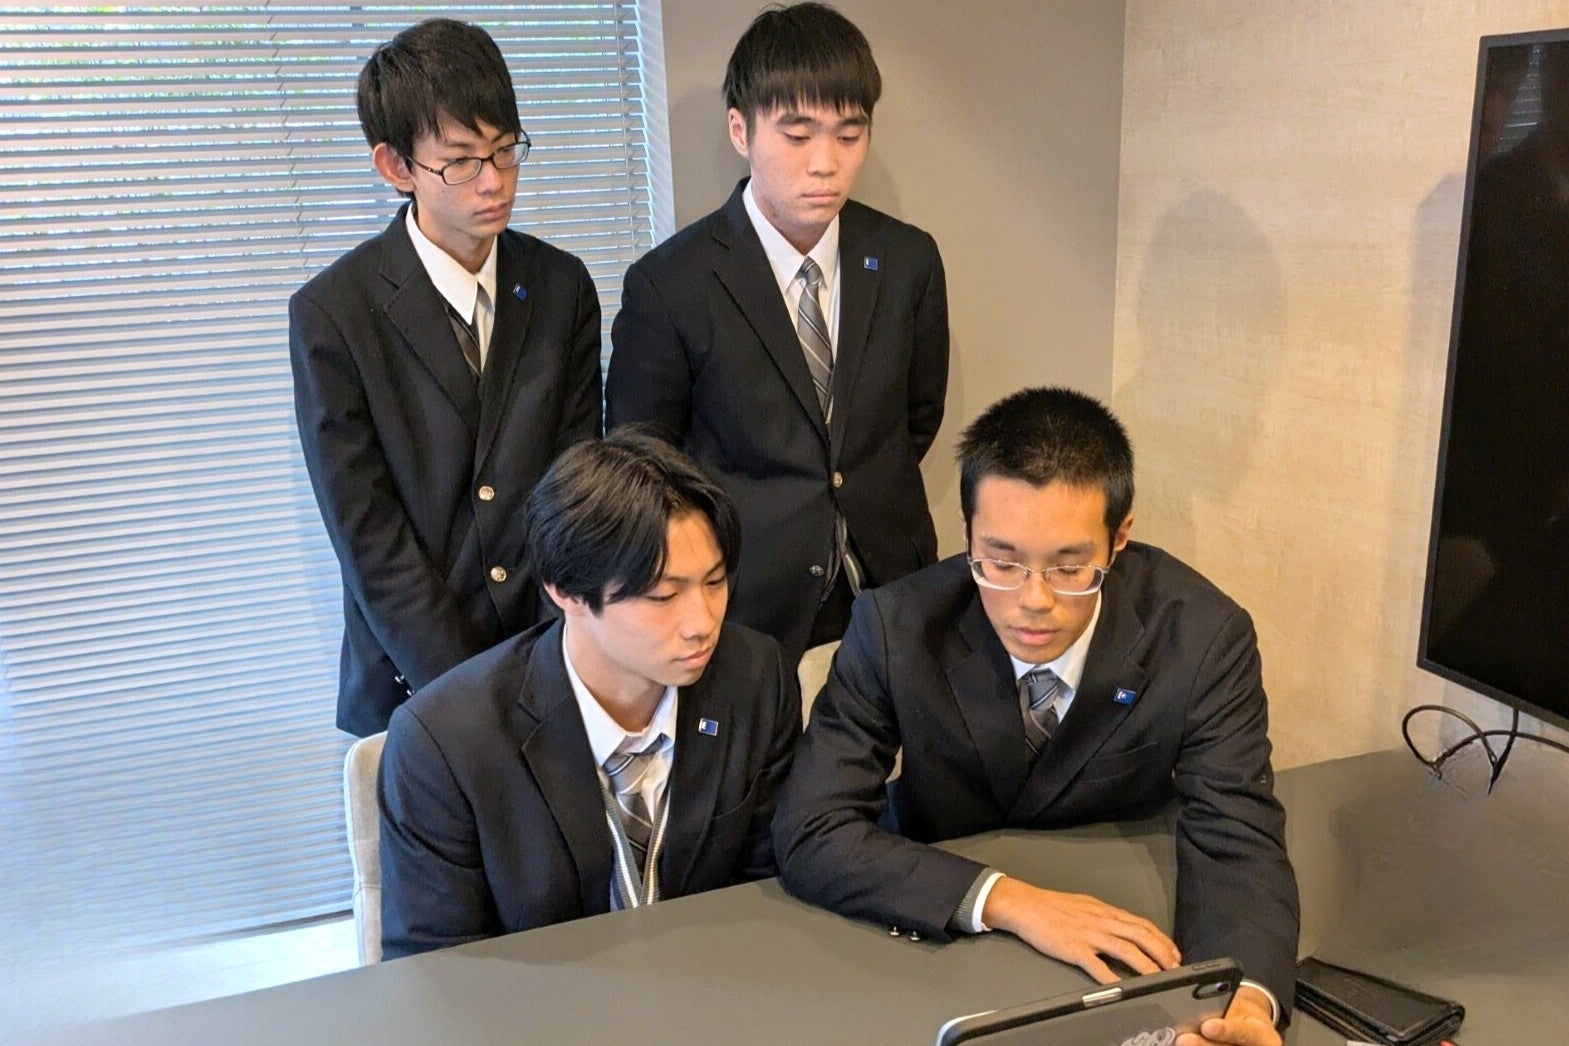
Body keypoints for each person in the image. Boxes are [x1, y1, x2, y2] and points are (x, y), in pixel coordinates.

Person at [774, 387, 1300, 1046]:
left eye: (1070, 566)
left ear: (1119, 538)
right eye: (1001, 562)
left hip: (1125, 916)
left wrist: (1242, 1001)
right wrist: (1010, 900)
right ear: (967, 531)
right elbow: (811, 827)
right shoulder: (895, 625)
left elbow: (1235, 832)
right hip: (930, 928)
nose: (1034, 600)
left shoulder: (1200, 636)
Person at [605, 1, 949, 664]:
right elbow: (645, 460)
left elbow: (917, 417)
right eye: (797, 135)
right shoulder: (671, 283)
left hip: (890, 582)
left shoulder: (907, 258)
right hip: (750, 597)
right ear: (741, 129)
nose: (825, 163)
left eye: (848, 135)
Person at [378, 430, 801, 958]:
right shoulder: (445, 741)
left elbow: (769, 893)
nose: (702, 622)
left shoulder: (757, 679)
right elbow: (436, 967)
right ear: (566, 592)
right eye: (663, 595)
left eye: (714, 583)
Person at [290, 18, 602, 736]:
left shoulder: (560, 286)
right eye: (459, 161)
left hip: (553, 654)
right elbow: (368, 536)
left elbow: (578, 485)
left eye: (505, 150)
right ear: (396, 167)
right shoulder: (334, 313)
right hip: (415, 680)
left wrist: (553, 656)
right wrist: (468, 693)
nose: (494, 181)